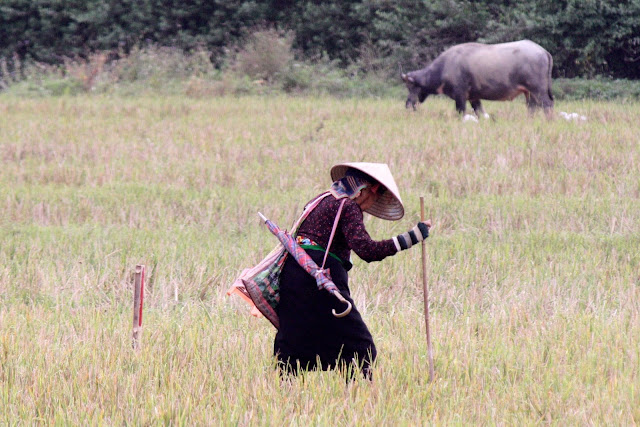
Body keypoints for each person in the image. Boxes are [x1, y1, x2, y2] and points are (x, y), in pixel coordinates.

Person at [274, 162, 431, 380]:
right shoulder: (348, 207)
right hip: (321, 279)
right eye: (375, 198)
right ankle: (359, 402)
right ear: (368, 190)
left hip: (292, 276)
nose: (369, 206)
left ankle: (286, 397)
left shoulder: (319, 201)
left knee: (294, 346)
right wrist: (413, 237)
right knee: (361, 349)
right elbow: (367, 250)